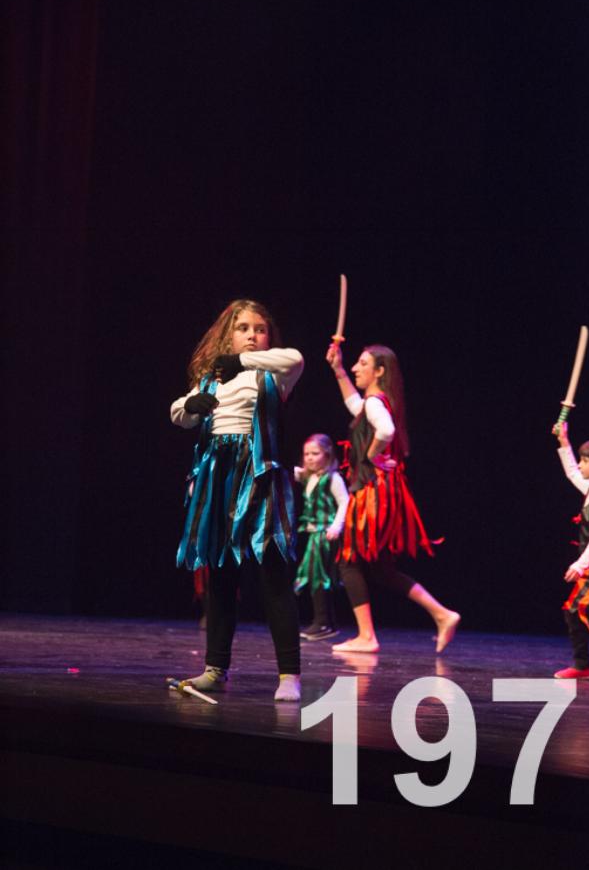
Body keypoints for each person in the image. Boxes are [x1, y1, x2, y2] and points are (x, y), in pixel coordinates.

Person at [171, 299, 304, 700]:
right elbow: (179, 414)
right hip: (219, 478)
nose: (251, 335)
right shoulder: (212, 380)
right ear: (228, 334)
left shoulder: (274, 374)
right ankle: (215, 669)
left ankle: (289, 676)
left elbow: (296, 358)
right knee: (221, 576)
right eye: (243, 328)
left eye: (259, 329)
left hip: (260, 476)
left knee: (273, 574)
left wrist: (242, 363)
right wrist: (190, 406)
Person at [325, 341, 460, 653]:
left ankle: (366, 636)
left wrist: (372, 456)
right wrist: (338, 370)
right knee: (380, 569)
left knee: (348, 559)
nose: (356, 368)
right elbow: (355, 406)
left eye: (362, 364)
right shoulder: (374, 402)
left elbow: (385, 431)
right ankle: (442, 614)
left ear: (380, 371)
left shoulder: (375, 404)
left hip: (372, 494)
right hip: (385, 491)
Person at [553, 421, 589, 679]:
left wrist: (579, 565)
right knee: (574, 610)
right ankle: (582, 666)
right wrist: (564, 441)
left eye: (585, 461)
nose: (580, 465)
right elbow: (572, 473)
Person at [294, 434, 349, 640]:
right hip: (313, 533)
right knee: (316, 575)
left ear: (327, 455)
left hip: (325, 534)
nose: (309, 458)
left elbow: (344, 502)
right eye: (306, 454)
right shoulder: (310, 477)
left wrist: (336, 526)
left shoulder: (332, 478)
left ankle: (323, 622)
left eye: (315, 453)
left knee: (318, 576)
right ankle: (327, 623)